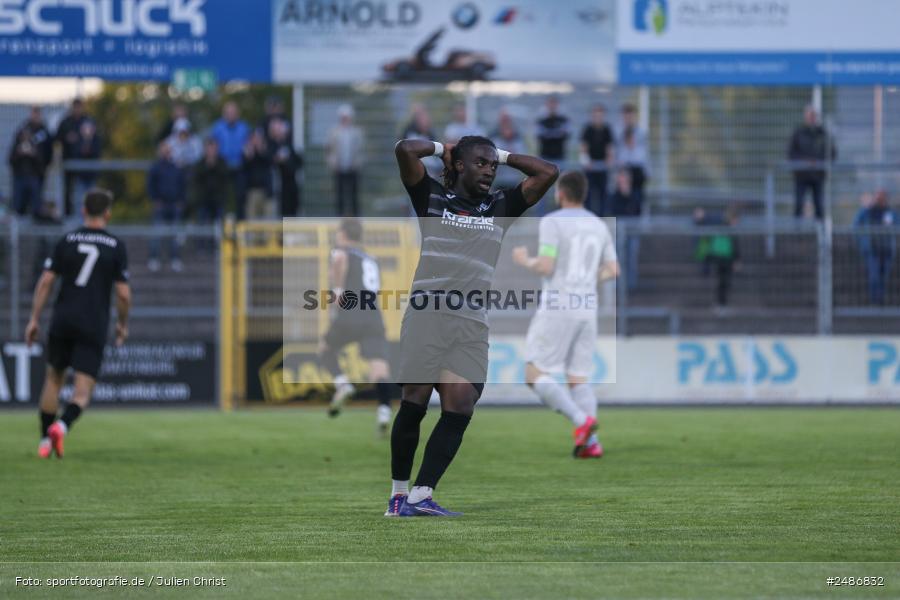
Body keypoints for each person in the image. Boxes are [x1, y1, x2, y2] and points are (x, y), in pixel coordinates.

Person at [388, 135, 558, 517]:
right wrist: (441, 148)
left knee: (461, 405)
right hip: (427, 313)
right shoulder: (429, 195)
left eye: (493, 165)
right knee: (414, 403)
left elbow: (549, 172)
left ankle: (421, 494)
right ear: (459, 165)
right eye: (481, 163)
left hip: (470, 321)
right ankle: (398, 495)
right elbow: (404, 149)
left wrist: (501, 154)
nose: (490, 170)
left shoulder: (501, 206)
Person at [512, 170, 619, 458]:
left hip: (559, 304)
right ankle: (592, 445)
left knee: (533, 373)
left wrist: (525, 260)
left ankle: (581, 421)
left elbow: (546, 266)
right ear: (583, 194)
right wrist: (586, 279)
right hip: (587, 308)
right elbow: (613, 270)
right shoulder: (599, 225)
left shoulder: (552, 222)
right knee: (578, 379)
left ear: (560, 193)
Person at [25, 188, 131, 459]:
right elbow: (123, 293)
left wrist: (34, 319)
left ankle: (44, 442)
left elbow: (47, 281)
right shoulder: (115, 246)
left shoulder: (67, 240)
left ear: (83, 211)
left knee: (53, 379)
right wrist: (122, 323)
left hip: (62, 319)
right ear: (107, 213)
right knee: (82, 392)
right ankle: (61, 426)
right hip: (92, 322)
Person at [319, 219, 394, 434]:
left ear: (342, 233)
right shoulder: (371, 258)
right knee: (379, 367)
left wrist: (339, 291)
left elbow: (340, 258)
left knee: (325, 348)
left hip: (350, 311)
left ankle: (343, 384)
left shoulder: (341, 250)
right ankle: (384, 411)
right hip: (373, 316)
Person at [788, 105, 836, 220]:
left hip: (818, 176)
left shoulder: (823, 133)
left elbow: (832, 152)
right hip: (801, 176)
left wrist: (818, 161)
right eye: (810, 116)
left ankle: (820, 234)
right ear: (805, 117)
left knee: (819, 206)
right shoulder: (798, 132)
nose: (812, 118)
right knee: (799, 205)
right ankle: (796, 234)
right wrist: (804, 161)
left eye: (814, 116)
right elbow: (791, 153)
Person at [147, 141, 186, 272]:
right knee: (156, 234)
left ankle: (175, 259)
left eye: (168, 149)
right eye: (163, 149)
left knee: (175, 234)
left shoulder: (176, 167)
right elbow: (150, 185)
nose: (166, 152)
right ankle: (154, 259)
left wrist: (181, 200)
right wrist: (155, 199)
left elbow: (182, 185)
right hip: (160, 205)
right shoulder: (155, 167)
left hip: (174, 205)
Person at [8, 107, 53, 219]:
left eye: (37, 114)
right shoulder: (21, 131)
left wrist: (35, 155)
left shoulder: (44, 132)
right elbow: (11, 157)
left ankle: (35, 232)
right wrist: (20, 153)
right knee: (19, 205)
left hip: (36, 174)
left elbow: (48, 154)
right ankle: (18, 233)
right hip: (20, 174)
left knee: (36, 206)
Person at [853, 190, 896, 305]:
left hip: (887, 250)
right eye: (878, 197)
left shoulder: (890, 212)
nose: (879, 199)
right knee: (874, 277)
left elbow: (896, 225)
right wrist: (862, 242)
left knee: (883, 277)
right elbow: (856, 226)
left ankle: (880, 300)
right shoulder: (867, 212)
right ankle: (875, 301)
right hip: (872, 250)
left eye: (882, 197)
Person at [694, 206, 741, 309]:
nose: (737, 222)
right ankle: (721, 304)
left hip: (725, 258)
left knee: (724, 282)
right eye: (736, 219)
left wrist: (736, 260)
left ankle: (722, 304)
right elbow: (734, 245)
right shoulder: (722, 225)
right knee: (723, 282)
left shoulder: (728, 227)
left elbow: (734, 245)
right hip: (722, 258)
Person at [210, 101, 251, 219]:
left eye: (233, 112)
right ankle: (221, 223)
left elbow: (249, 144)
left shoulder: (244, 127)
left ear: (238, 114)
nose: (231, 115)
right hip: (223, 167)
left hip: (240, 167)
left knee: (240, 197)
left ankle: (240, 224)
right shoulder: (217, 128)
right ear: (224, 114)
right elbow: (213, 145)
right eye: (228, 112)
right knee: (222, 197)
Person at [326, 104, 365, 216]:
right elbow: (329, 149)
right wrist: (332, 163)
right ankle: (339, 218)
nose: (345, 119)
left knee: (354, 195)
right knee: (339, 195)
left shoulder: (356, 132)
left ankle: (356, 218)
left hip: (353, 169)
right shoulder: (333, 132)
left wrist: (358, 163)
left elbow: (360, 150)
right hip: (339, 168)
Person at [55, 98, 89, 217]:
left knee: (83, 192)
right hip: (68, 164)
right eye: (75, 107)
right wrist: (67, 138)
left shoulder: (87, 122)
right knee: (68, 192)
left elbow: (93, 140)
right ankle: (68, 215)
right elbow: (57, 139)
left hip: (84, 166)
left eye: (79, 107)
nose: (77, 110)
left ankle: (84, 216)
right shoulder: (66, 122)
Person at [579, 104, 615, 217]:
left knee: (603, 195)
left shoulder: (607, 129)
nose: (598, 118)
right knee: (588, 195)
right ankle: (588, 217)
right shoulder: (587, 129)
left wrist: (608, 161)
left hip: (602, 167)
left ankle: (602, 218)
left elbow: (609, 148)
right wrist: (587, 162)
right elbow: (583, 148)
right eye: (596, 115)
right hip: (590, 168)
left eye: (600, 115)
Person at [268, 118, 302, 217]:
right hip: (278, 186)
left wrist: (287, 162)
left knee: (292, 211)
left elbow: (298, 162)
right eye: (277, 130)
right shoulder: (270, 145)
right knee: (281, 212)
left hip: (291, 184)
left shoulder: (289, 144)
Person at [616, 103, 649, 206]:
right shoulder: (618, 132)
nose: (628, 119)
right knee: (622, 201)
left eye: (630, 116)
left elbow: (645, 153)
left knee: (637, 199)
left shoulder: (641, 132)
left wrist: (647, 171)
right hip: (624, 170)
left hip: (637, 169)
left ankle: (637, 220)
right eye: (626, 117)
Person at [192, 137, 229, 225]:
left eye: (213, 148)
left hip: (218, 200)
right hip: (204, 201)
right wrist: (207, 167)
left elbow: (225, 177)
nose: (211, 151)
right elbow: (196, 180)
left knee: (219, 225)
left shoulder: (222, 162)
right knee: (203, 226)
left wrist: (214, 166)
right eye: (209, 148)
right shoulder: (199, 164)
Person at [490, 108, 526, 189]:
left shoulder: (518, 138)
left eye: (506, 119)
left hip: (514, 179)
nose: (505, 122)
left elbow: (521, 156)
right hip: (498, 179)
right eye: (503, 120)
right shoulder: (493, 137)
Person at [242, 129, 274, 219]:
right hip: (252, 191)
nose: (256, 141)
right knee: (252, 219)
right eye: (254, 139)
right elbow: (244, 168)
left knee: (268, 219)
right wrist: (250, 155)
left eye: (258, 139)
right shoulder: (247, 153)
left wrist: (261, 151)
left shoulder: (266, 151)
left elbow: (270, 162)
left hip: (266, 191)